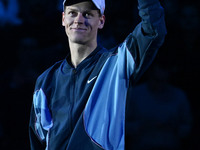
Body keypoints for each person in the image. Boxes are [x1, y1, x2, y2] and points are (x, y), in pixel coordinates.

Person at [29, 0, 167, 149]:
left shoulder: (117, 64)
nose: (79, 20)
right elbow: (38, 140)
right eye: (72, 13)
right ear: (63, 19)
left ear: (101, 21)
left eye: (87, 14)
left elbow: (152, 29)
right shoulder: (45, 80)